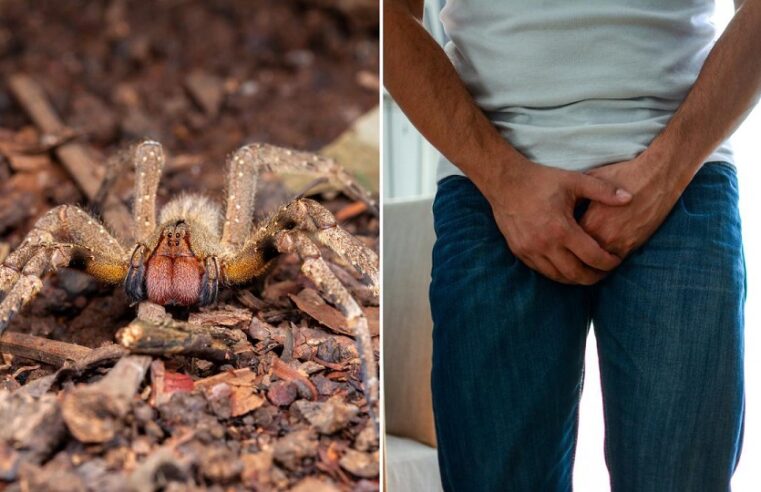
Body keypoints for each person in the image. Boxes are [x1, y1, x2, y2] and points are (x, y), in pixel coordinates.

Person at [384, 0, 761, 490]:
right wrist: (504, 179)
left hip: (682, 174)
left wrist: (666, 173)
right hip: (493, 185)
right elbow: (388, 16)